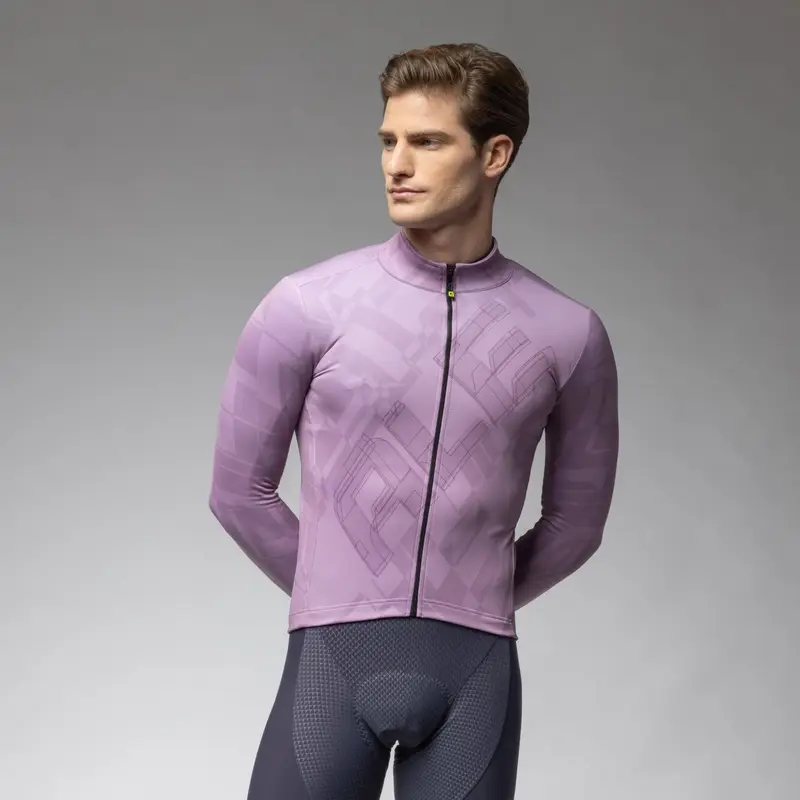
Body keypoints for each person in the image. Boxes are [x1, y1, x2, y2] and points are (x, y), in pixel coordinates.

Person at [208, 42, 619, 800]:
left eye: (427, 142)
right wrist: (342, 591)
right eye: (388, 141)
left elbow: (576, 525)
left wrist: (474, 596)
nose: (396, 165)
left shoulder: (568, 334)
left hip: (476, 676)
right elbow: (238, 492)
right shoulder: (306, 307)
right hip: (332, 666)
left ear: (495, 154)